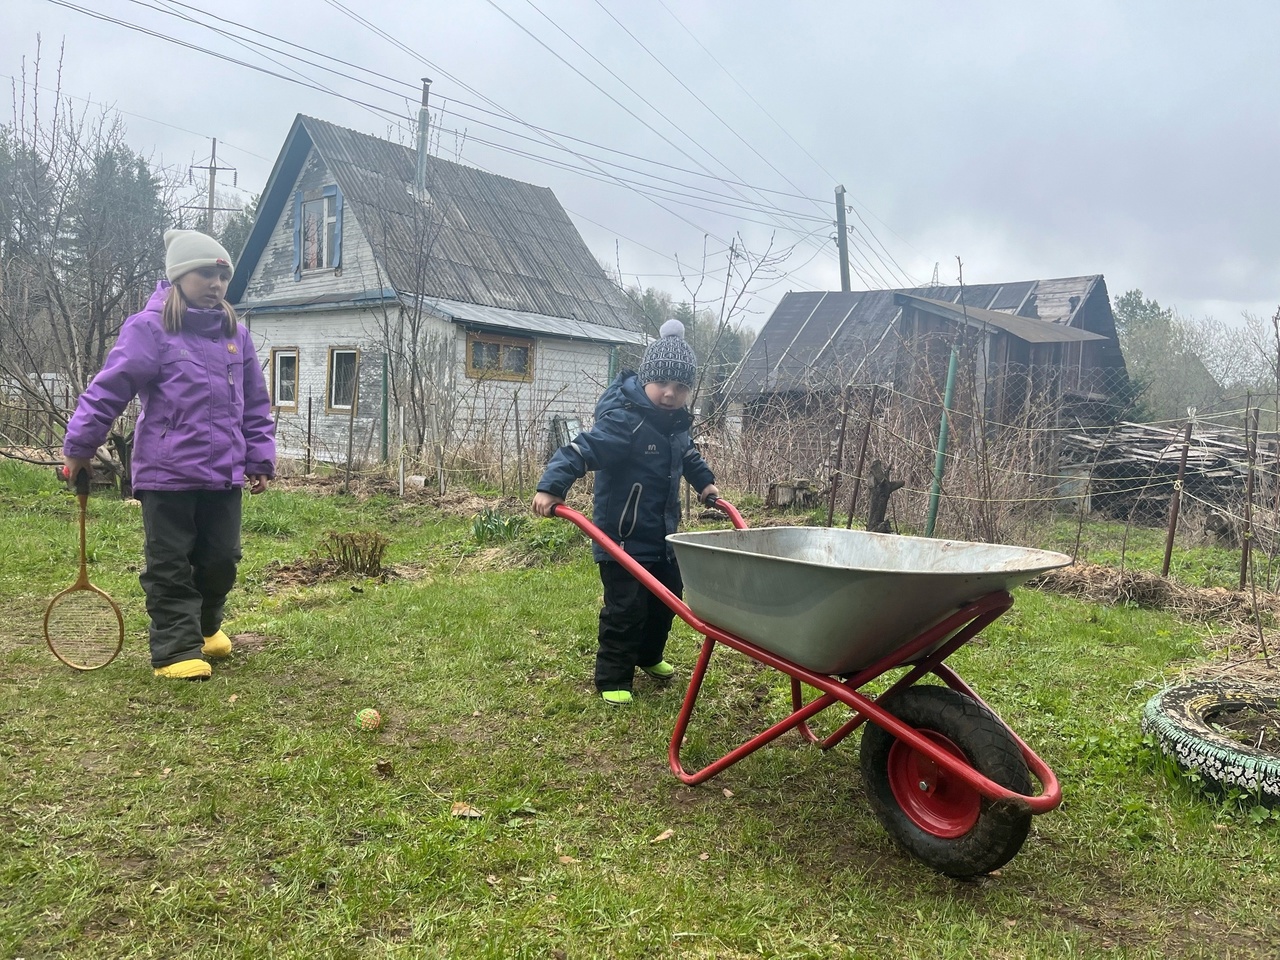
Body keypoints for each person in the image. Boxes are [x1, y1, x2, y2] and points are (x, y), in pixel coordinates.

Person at [63, 229, 276, 681]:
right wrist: (80, 447)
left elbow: (256, 403)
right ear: (180, 276)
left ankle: (204, 629)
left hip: (223, 474)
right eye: (205, 273)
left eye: (223, 275)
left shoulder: (235, 334)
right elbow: (109, 389)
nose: (216, 283)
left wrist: (259, 458)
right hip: (167, 475)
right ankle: (175, 650)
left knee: (222, 558)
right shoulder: (150, 329)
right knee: (171, 562)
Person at [533, 319, 718, 705]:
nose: (670, 394)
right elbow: (580, 451)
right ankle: (613, 676)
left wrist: (706, 484)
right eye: (662, 384)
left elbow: (689, 457)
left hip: (662, 539)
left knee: (667, 603)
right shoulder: (625, 422)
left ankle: (648, 656)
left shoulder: (676, 427)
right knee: (626, 610)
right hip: (621, 540)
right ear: (646, 379)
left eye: (681, 387)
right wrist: (551, 487)